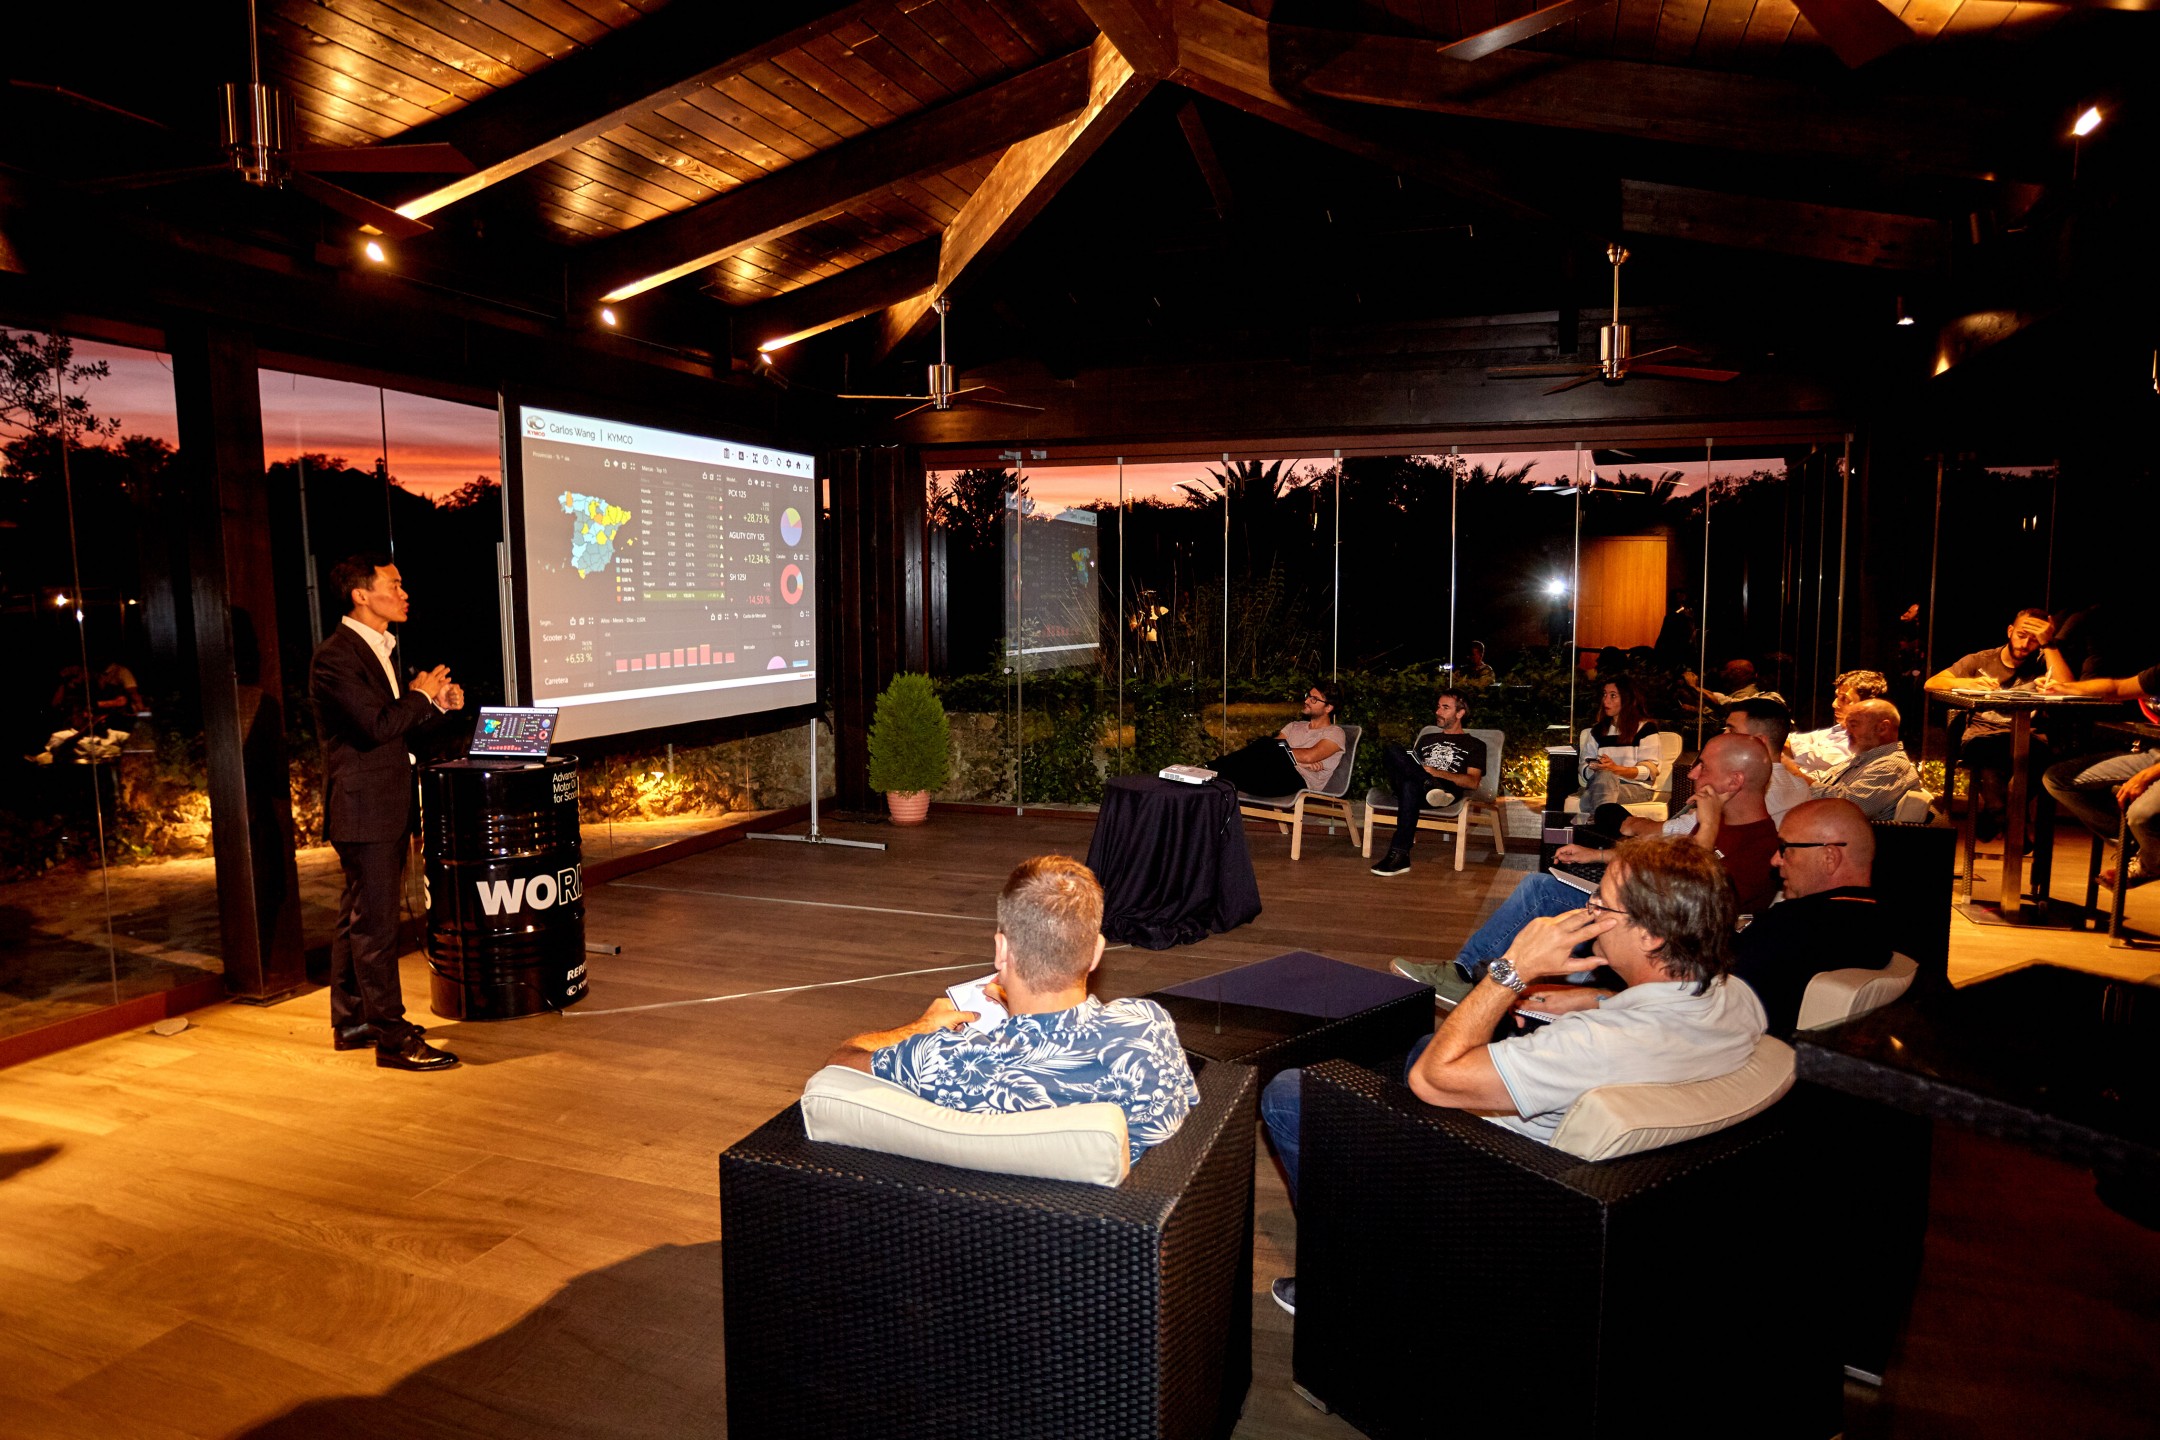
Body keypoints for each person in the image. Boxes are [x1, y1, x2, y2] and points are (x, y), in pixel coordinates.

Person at [1263, 836, 1764, 1312]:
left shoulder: (1592, 1045)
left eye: (1602, 905)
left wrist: (1513, 969)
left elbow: (1434, 1081)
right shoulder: (1734, 997)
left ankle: (1350, 1274)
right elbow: (1646, 1021)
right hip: (1592, 1163)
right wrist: (1596, 998)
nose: (1586, 910)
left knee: (1291, 1094)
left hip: (1499, 1183)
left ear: (1652, 933)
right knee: (1421, 1045)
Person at [827, 856, 1198, 1163]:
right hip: (1120, 1238)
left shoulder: (944, 1061)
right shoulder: (1148, 1028)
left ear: (1001, 951)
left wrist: (919, 1027)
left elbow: (841, 1061)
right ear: (1096, 952)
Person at [1402, 732, 1782, 999]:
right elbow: (1662, 856)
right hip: (1636, 907)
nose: (1693, 773)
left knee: (1542, 895)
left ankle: (1473, 976)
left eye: (1704, 767)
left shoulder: (1760, 845)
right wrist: (1598, 856)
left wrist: (1710, 824)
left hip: (1657, 932)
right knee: (1541, 887)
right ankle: (1470, 972)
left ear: (1735, 781)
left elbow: (1689, 900)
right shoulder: (1711, 822)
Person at [1522, 799, 1891, 1038]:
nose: (1776, 861)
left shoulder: (1799, 928)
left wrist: (1596, 1000)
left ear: (1829, 857)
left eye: (1786, 849)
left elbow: (1691, 1000)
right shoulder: (1872, 922)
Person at [311, 553, 465, 1072]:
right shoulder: (336, 657)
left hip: (379, 805)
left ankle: (353, 1019)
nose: (404, 593)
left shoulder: (376, 651)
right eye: (394, 585)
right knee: (375, 926)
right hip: (364, 810)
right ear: (361, 594)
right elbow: (376, 727)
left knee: (357, 917)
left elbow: (393, 729)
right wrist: (419, 696)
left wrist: (435, 704)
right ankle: (393, 1038)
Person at [1926, 607, 2071, 838]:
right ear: (2010, 631)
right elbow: (1932, 683)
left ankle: (1997, 812)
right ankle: (2009, 820)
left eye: (2034, 640)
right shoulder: (1982, 659)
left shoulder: (2046, 661)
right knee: (1986, 752)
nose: (2025, 644)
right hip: (1984, 735)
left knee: (2037, 757)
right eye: (2021, 635)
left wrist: (2049, 645)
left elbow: (2069, 687)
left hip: (2030, 737)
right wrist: (1967, 683)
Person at [2037, 662, 2160, 888]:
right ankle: (2138, 846)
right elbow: (2117, 687)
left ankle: (2151, 863)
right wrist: (2064, 688)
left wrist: (2146, 776)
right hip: (2155, 752)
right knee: (2058, 779)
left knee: (2140, 814)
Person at [1369, 689, 1487, 878]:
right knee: (1393, 749)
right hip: (1421, 786)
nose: (1438, 711)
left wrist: (1437, 773)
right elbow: (1408, 766)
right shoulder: (1427, 739)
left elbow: (1473, 782)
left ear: (1460, 713)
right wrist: (1424, 776)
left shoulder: (1475, 745)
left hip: (1444, 793)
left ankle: (1400, 855)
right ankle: (1427, 784)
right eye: (1438, 706)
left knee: (1409, 785)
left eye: (1445, 708)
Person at [1202, 680, 1345, 796]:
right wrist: (1297, 760)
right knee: (1252, 759)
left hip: (1298, 782)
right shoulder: (1294, 725)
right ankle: (1212, 773)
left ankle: (1210, 769)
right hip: (1270, 776)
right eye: (1308, 696)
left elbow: (1308, 756)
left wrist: (1298, 761)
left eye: (1314, 699)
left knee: (1265, 744)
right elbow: (1270, 753)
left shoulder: (1335, 732)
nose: (1307, 700)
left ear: (1328, 708)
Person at [1809, 699, 1918, 821]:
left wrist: (1799, 778)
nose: (1847, 732)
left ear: (1882, 728)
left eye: (1853, 725)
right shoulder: (1862, 758)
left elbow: (1847, 808)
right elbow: (1822, 777)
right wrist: (1793, 775)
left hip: (1841, 836)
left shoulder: (1891, 766)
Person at [1575, 676, 1663, 814]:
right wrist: (1598, 768)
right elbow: (1583, 766)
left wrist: (1615, 769)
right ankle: (1601, 821)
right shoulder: (1598, 731)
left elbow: (1649, 772)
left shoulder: (1646, 729)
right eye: (1604, 694)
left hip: (1636, 788)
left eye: (1613, 696)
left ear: (1627, 699)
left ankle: (1591, 809)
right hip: (1600, 784)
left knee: (1601, 785)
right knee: (1605, 778)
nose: (1605, 700)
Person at [1785, 669, 1891, 781]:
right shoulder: (1838, 730)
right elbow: (1798, 739)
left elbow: (1816, 757)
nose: (1834, 704)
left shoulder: (1863, 742)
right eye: (1837, 697)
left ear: (1867, 707)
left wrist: (1777, 741)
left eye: (1844, 699)